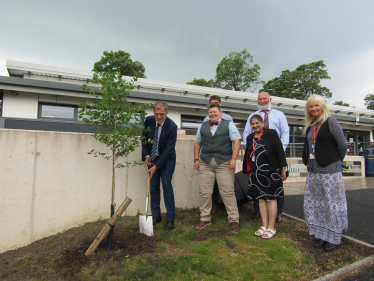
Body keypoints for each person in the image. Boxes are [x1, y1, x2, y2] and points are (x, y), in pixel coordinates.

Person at [302, 95, 348, 252]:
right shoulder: (311, 125)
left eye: (317, 105)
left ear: (323, 106)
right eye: (311, 106)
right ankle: (322, 233)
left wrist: (334, 161)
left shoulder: (331, 122)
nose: (313, 108)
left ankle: (334, 236)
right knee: (317, 204)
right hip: (314, 171)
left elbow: (342, 145)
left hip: (330, 171)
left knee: (331, 204)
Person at [194, 103, 241, 233]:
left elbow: (237, 141)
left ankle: (234, 220)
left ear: (220, 112)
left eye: (215, 112)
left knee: (227, 192)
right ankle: (205, 218)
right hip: (206, 163)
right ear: (208, 114)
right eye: (210, 112)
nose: (212, 114)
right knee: (205, 192)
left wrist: (233, 159)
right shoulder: (203, 126)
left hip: (224, 163)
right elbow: (197, 143)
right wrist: (196, 159)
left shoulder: (229, 124)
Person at [243, 92, 289, 223]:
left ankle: (278, 212)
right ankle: (257, 211)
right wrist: (253, 151)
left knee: (276, 184)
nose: (262, 101)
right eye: (260, 99)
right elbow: (247, 134)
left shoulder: (279, 115)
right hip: (258, 158)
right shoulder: (252, 116)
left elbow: (285, 134)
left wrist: (280, 151)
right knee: (258, 184)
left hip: (274, 157)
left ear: (270, 99)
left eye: (264, 99)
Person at [142, 101, 178, 231]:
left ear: (166, 113)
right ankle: (156, 216)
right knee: (153, 187)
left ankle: (170, 219)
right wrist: (147, 155)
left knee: (166, 185)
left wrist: (156, 166)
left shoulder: (172, 127)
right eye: (156, 114)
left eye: (161, 114)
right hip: (152, 158)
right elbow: (144, 139)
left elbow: (169, 150)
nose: (158, 117)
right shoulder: (149, 121)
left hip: (167, 160)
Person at [203, 95, 234, 216]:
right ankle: (215, 205)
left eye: (215, 103)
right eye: (211, 103)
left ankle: (228, 208)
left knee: (227, 186)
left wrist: (231, 157)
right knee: (213, 185)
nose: (213, 106)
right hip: (210, 158)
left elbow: (232, 138)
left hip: (224, 157)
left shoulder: (228, 118)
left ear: (220, 104)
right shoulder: (206, 119)